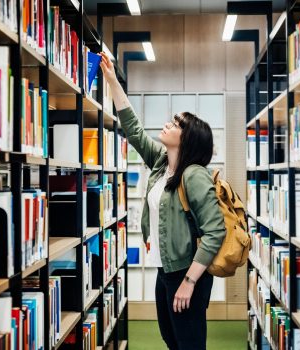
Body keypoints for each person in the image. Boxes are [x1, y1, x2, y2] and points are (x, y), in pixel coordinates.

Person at [99, 52, 226, 350]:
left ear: (188, 139)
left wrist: (190, 282)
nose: (168, 124)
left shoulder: (194, 175)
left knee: (189, 344)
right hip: (164, 270)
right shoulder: (161, 164)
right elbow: (133, 129)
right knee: (172, 340)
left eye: (176, 124)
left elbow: (215, 232)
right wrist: (112, 81)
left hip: (186, 273)